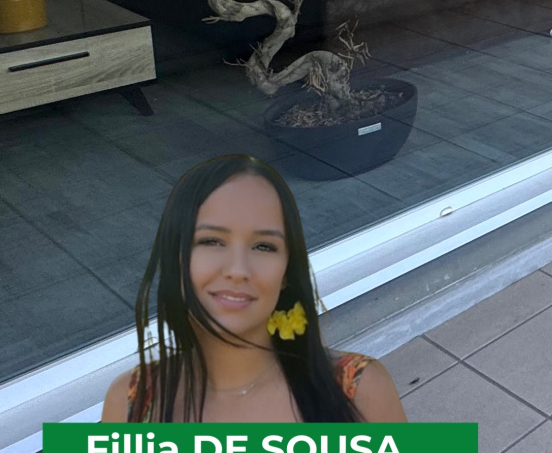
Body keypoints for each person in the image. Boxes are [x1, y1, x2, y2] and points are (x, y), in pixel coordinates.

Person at [102, 155, 406, 424]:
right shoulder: (129, 401)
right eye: (211, 241)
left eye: (264, 246)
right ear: (175, 258)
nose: (238, 269)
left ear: (286, 272)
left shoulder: (359, 390)